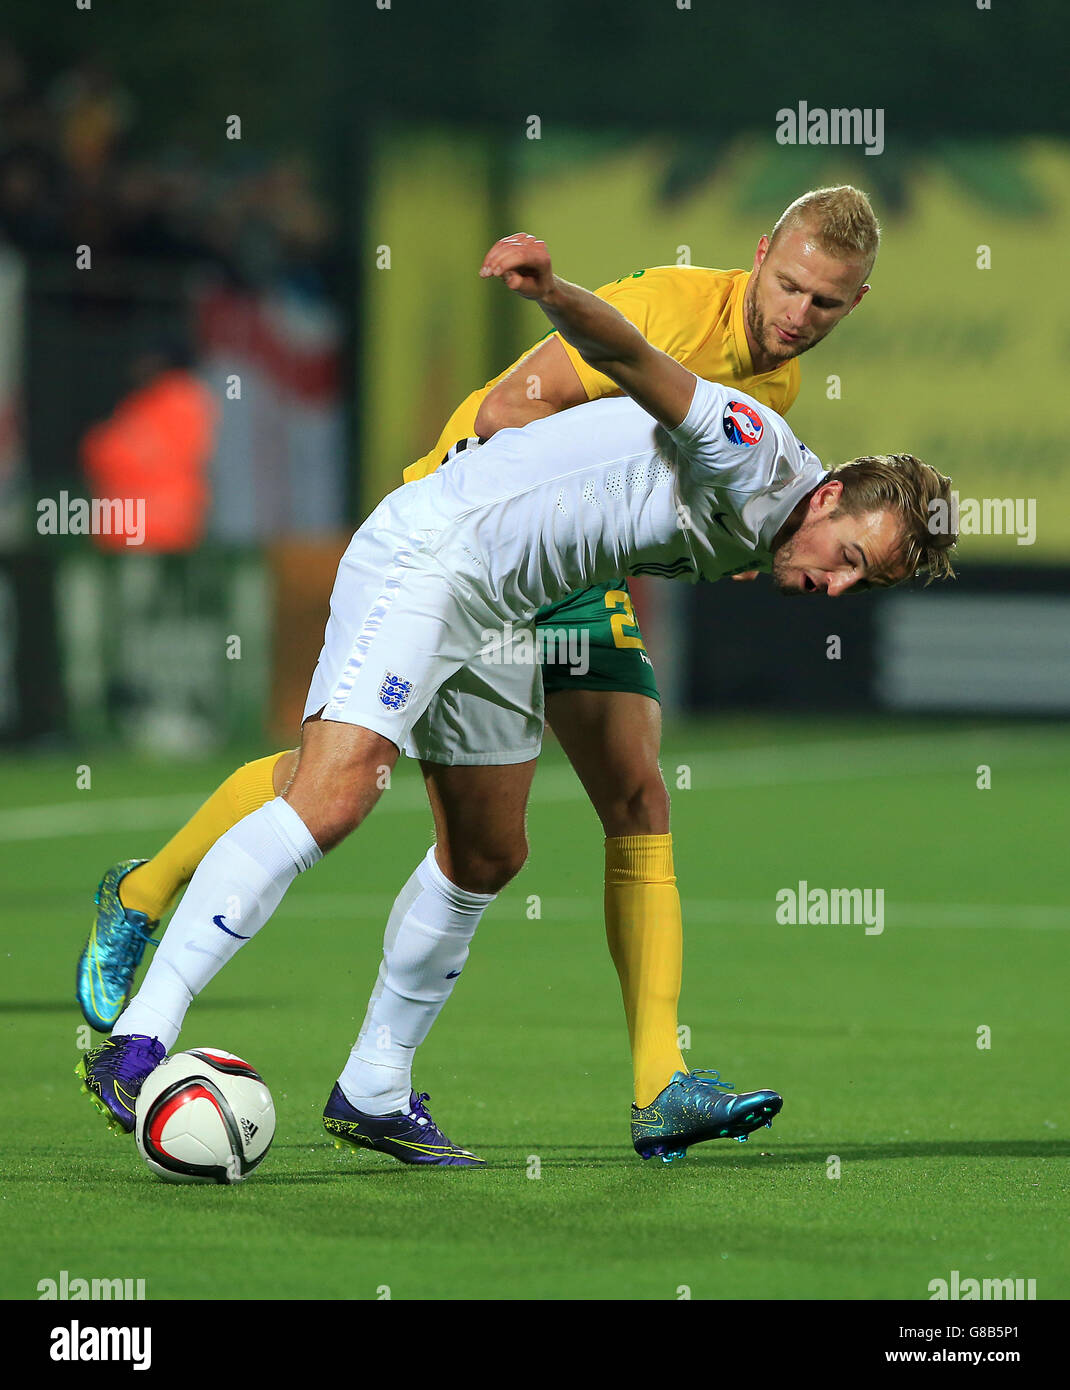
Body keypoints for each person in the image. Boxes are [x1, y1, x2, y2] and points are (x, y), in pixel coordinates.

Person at [79, 230, 956, 1166]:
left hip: (508, 608)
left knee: (488, 852)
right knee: (335, 794)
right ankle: (138, 1038)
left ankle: (374, 1086)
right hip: (432, 555)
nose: (837, 588)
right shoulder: (753, 448)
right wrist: (551, 290)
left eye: (862, 585)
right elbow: (627, 357)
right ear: (825, 501)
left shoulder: (779, 519)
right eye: (849, 561)